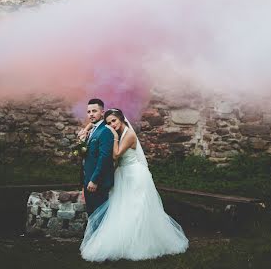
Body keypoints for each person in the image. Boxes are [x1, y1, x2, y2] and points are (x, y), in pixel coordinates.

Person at [80, 108, 189, 261]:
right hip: (122, 174)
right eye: (109, 122)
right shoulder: (117, 131)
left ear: (122, 119)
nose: (111, 125)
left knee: (136, 208)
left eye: (114, 121)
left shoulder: (129, 134)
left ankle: (139, 242)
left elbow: (116, 154)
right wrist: (86, 128)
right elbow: (94, 127)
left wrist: (113, 136)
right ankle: (123, 241)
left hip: (135, 174)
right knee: (121, 207)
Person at [78, 98, 115, 217]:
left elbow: (104, 158)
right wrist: (82, 142)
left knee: (99, 216)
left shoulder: (105, 131)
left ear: (102, 112)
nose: (91, 114)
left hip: (98, 183)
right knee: (91, 215)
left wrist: (94, 180)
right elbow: (88, 155)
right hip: (88, 179)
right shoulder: (93, 130)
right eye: (88, 112)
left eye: (94, 111)